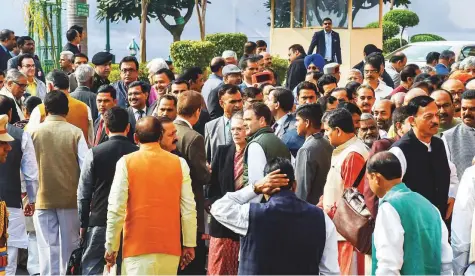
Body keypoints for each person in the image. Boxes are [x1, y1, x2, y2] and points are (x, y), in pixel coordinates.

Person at [211, 157, 340, 274]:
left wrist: (255, 188)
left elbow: (218, 207)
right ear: (294, 185)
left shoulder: (251, 216)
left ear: (265, 189)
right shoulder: (321, 219)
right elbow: (330, 272)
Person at [104, 116, 197, 274]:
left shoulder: (126, 162)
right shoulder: (179, 163)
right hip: (169, 247)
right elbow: (188, 208)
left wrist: (111, 247)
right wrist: (189, 243)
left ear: (135, 137)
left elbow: (116, 208)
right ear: (160, 136)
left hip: (136, 247)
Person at [30, 90, 87, 275]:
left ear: (45, 109)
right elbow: (85, 166)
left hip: (41, 197)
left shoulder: (33, 133)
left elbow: (27, 168)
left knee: (47, 247)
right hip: (70, 199)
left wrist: (27, 195)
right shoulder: (75, 133)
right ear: (67, 110)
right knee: (70, 246)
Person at [367, 151, 453, 275]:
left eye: (368, 178)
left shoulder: (389, 207)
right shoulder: (430, 206)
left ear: (376, 178)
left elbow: (388, 265)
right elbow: (446, 262)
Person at [78, 107, 138, 275]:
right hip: (131, 220)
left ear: (105, 127)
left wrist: (83, 223)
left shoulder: (95, 153)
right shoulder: (137, 153)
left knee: (92, 265)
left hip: (100, 217)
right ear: (128, 127)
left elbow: (83, 192)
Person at [389, 96, 458, 222]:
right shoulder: (400, 150)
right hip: (413, 223)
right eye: (428, 117)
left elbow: (451, 172)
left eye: (436, 115)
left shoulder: (439, 144)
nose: (436, 120)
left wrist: (452, 195)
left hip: (439, 221)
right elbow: (390, 191)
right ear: (412, 120)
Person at [321, 108, 369, 275]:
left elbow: (353, 201)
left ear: (338, 131)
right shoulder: (346, 151)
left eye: (327, 130)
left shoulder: (352, 155)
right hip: (340, 230)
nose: (326, 135)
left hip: (348, 234)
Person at [0, 95, 38, 275]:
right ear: (10, 112)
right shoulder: (20, 135)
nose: (7, 148)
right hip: (12, 202)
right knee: (9, 255)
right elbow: (31, 174)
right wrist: (32, 199)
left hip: (9, 204)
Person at [174, 91, 210, 275]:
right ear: (197, 111)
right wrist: (208, 170)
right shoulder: (193, 137)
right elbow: (201, 175)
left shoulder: (166, 129)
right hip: (189, 203)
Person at [206, 111, 245, 275]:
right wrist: (219, 208)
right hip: (222, 221)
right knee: (218, 267)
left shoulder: (254, 152)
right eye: (233, 129)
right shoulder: (222, 152)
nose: (236, 133)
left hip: (245, 222)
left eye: (240, 129)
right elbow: (212, 187)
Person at [28, 70, 94, 147]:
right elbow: (90, 139)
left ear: (49, 86)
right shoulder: (84, 108)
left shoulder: (40, 109)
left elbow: (30, 140)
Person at [243, 102, 291, 186]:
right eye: (244, 120)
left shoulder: (256, 145)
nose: (244, 123)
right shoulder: (279, 140)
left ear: (262, 120)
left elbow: (256, 184)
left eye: (248, 119)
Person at [294, 103, 332, 204]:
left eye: (298, 120)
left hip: (309, 209)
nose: (295, 124)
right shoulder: (327, 142)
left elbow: (301, 190)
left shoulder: (306, 150)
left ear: (307, 122)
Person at [442, 90, 475, 182]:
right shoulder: (448, 137)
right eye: (464, 108)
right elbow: (446, 174)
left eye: (472, 109)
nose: (467, 113)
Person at [205, 84, 242, 163]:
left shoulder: (248, 123)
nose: (238, 105)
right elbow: (207, 157)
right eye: (233, 102)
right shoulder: (210, 127)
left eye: (240, 100)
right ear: (221, 103)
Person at [266, 88, 304, 157]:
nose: (266, 103)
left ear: (277, 105)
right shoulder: (274, 125)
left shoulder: (294, 128)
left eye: (269, 100)